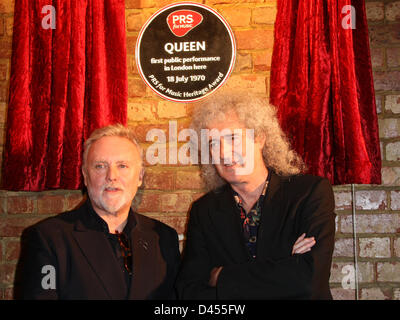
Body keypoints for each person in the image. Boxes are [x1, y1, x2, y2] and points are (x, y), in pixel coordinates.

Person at [176, 91, 336, 299]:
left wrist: (221, 276)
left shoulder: (309, 193)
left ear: (259, 137)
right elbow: (189, 292)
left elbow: (309, 280)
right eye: (213, 143)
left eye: (232, 138)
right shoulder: (204, 210)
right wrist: (284, 267)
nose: (223, 152)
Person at [17, 124, 180, 299]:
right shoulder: (47, 238)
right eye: (100, 166)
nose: (112, 176)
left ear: (140, 177)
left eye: (123, 165)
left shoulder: (164, 238)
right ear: (85, 176)